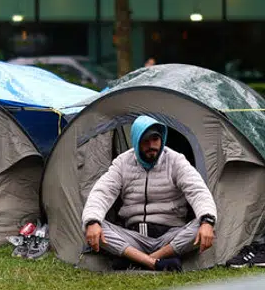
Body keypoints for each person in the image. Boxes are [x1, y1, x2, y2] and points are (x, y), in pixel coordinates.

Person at [82, 115, 216, 271]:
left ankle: (138, 260)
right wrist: (93, 222)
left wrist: (207, 222)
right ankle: (156, 262)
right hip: (132, 238)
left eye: (155, 140)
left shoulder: (176, 161)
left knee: (205, 225)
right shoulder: (123, 162)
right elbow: (102, 193)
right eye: (145, 141)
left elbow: (198, 191)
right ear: (136, 141)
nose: (151, 145)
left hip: (170, 237)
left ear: (162, 139)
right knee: (90, 223)